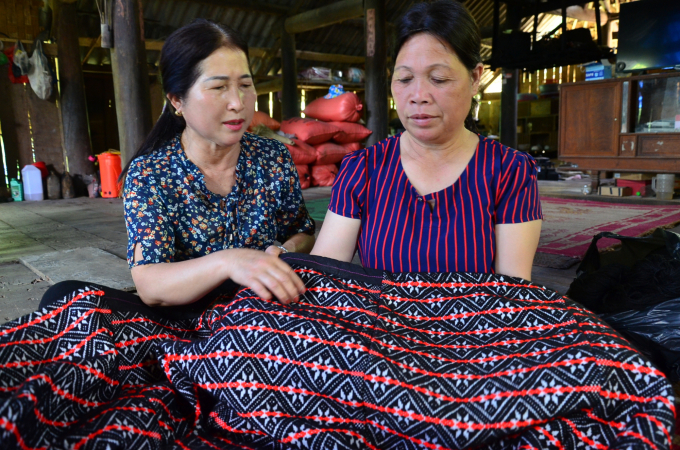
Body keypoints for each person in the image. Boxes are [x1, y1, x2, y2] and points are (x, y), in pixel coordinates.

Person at [39, 19, 314, 313]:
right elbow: (151, 286)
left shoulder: (272, 158)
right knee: (63, 298)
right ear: (177, 100)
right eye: (220, 86)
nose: (237, 102)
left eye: (245, 85)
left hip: (255, 307)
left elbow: (303, 232)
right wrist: (231, 261)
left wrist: (283, 251)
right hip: (180, 314)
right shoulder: (150, 173)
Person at [312, 0, 542, 280]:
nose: (418, 95)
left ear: (474, 77)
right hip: (381, 322)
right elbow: (324, 277)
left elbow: (512, 292)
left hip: (476, 323)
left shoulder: (508, 171)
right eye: (405, 78)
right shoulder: (363, 169)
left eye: (439, 79)